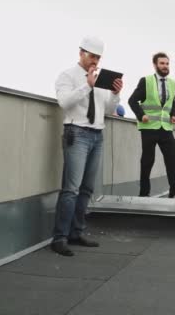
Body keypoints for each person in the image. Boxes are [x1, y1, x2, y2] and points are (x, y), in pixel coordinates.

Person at [51, 36, 123, 256]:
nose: (95, 61)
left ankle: (76, 232)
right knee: (71, 189)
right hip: (77, 132)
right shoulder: (67, 76)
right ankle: (60, 237)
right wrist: (86, 85)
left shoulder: (100, 79)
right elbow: (64, 102)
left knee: (86, 189)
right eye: (92, 56)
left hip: (97, 134)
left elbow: (108, 109)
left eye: (98, 57)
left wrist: (116, 93)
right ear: (81, 53)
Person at [128, 52, 175, 198]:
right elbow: (132, 101)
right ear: (155, 65)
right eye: (162, 63)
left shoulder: (172, 83)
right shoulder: (146, 81)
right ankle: (144, 194)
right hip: (149, 128)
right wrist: (141, 115)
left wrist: (173, 115)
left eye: (167, 63)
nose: (165, 66)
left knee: (171, 160)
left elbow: (172, 103)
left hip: (166, 129)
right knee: (147, 161)